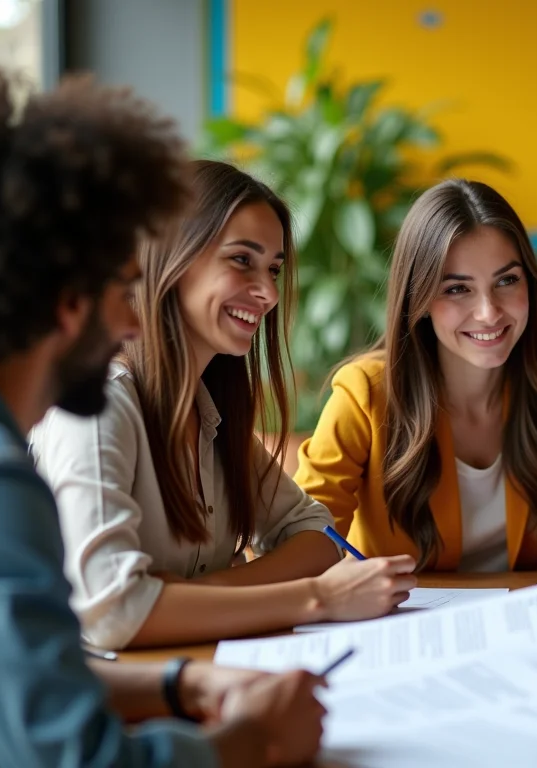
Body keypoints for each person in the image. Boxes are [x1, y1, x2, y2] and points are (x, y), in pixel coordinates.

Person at [0, 72, 327, 767]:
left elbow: (30, 670)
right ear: (65, 298)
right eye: (123, 289)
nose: (130, 319)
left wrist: (179, 682)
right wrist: (248, 742)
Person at [29, 160, 416, 650]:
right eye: (241, 261)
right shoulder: (97, 405)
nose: (270, 293)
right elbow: (113, 614)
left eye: (274, 269)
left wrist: (193, 596)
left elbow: (317, 534)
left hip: (196, 677)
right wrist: (317, 598)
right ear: (172, 258)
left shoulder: (207, 410)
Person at [296, 179, 537, 571]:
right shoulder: (364, 393)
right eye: (458, 289)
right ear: (419, 299)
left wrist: (529, 598)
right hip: (408, 623)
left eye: (507, 281)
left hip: (534, 623)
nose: (489, 313)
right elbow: (304, 539)